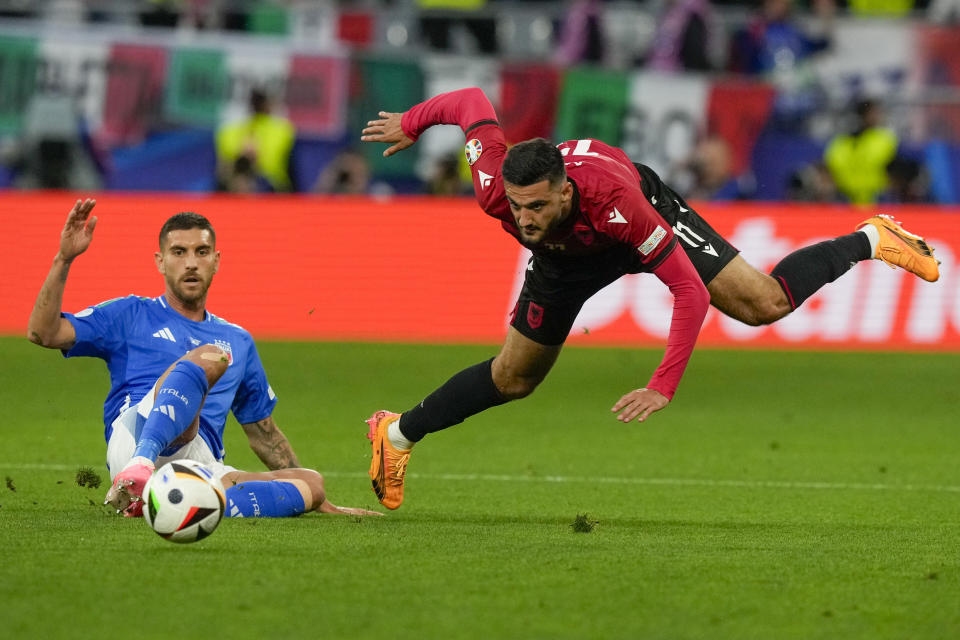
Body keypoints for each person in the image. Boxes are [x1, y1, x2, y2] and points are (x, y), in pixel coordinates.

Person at [359, 87, 940, 510]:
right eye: (517, 207)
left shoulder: (617, 202)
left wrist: (662, 384)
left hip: (631, 221)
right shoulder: (496, 186)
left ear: (565, 190)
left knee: (761, 305)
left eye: (537, 206)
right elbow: (468, 102)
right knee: (514, 379)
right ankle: (396, 434)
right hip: (564, 264)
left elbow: (687, 289)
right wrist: (413, 120)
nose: (524, 218)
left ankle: (871, 238)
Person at [27, 199, 379, 518]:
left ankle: (174, 502)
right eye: (178, 252)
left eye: (201, 251)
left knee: (311, 483)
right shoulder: (130, 314)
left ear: (217, 260)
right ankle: (140, 470)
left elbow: (264, 435)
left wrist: (318, 502)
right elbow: (44, 333)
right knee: (209, 357)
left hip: (201, 462)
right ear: (160, 262)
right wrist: (64, 259)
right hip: (136, 438)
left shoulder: (239, 340)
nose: (191, 263)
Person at [216, 88, 296, 193]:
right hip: (241, 181)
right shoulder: (232, 131)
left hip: (270, 186)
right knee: (239, 179)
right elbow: (227, 166)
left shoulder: (282, 131)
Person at [824, 98, 898, 205]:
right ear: (861, 115)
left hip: (877, 197)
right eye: (873, 113)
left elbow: (892, 169)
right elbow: (831, 168)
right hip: (845, 198)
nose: (877, 117)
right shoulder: (841, 142)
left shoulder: (884, 139)